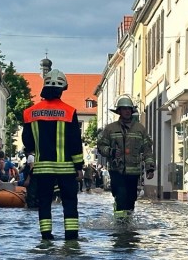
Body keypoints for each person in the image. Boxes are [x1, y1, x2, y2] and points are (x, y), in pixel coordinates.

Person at [22, 69, 85, 241]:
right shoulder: (69, 112)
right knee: (69, 202)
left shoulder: (30, 113)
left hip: (42, 169)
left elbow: (27, 141)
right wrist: (79, 167)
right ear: (62, 89)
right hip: (66, 168)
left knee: (44, 202)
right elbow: (74, 142)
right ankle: (71, 237)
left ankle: (46, 236)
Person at [96, 96, 155, 225]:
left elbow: (147, 150)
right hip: (116, 170)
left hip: (133, 172)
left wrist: (150, 167)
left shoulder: (140, 129)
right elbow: (101, 146)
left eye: (129, 109)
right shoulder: (110, 129)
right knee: (121, 195)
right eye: (124, 109)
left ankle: (128, 220)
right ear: (119, 111)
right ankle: (120, 223)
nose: (127, 111)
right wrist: (111, 151)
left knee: (131, 198)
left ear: (132, 110)